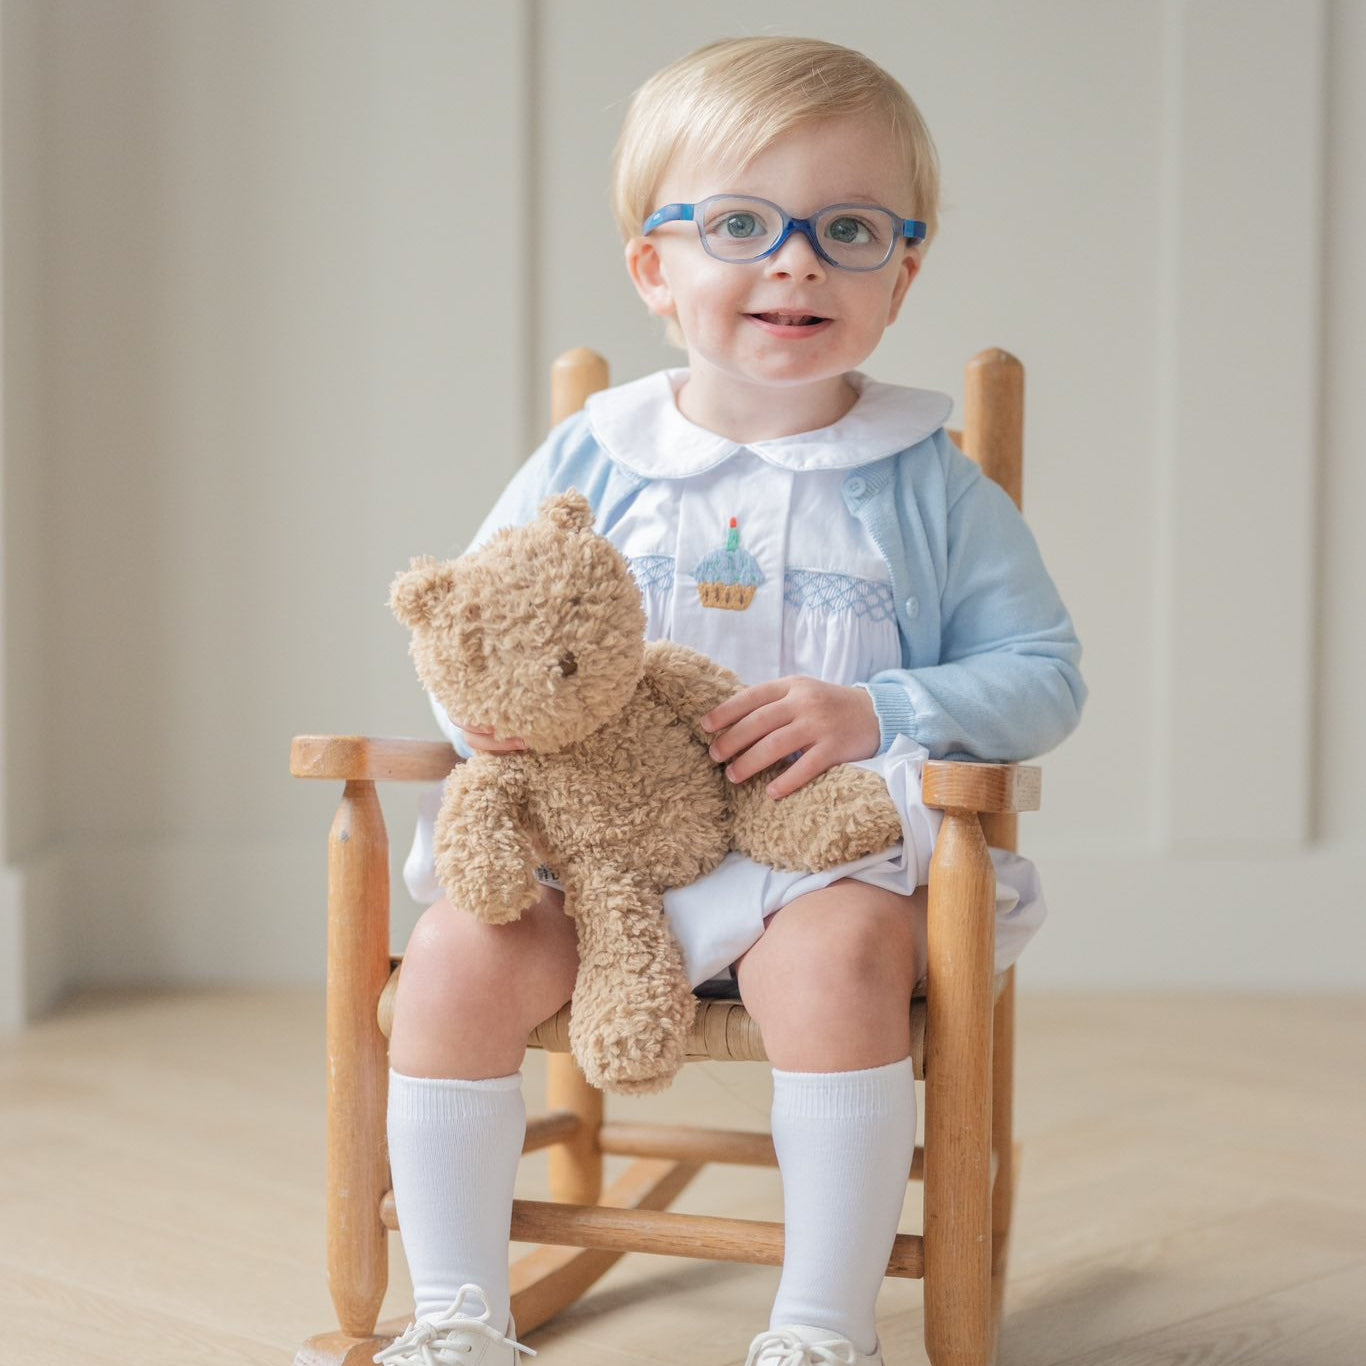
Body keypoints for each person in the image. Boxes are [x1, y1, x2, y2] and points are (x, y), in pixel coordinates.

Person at [380, 34, 1085, 1366]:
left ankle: (820, 1323)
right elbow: (470, 625)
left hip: (814, 859)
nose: (797, 260)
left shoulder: (929, 484)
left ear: (903, 273)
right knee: (461, 957)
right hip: (588, 856)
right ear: (654, 266)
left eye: (850, 229)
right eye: (742, 224)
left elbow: (1043, 679)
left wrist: (878, 707)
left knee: (840, 959)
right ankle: (459, 1308)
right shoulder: (594, 453)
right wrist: (500, 723)